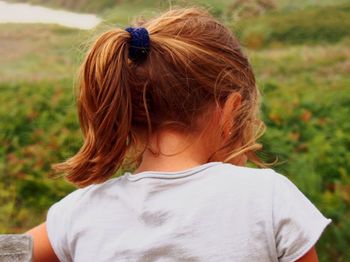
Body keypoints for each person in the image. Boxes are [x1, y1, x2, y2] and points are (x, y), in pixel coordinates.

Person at [26, 7, 331, 262]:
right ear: (230, 110)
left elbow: (8, 251)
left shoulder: (80, 213)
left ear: (131, 111)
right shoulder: (269, 198)